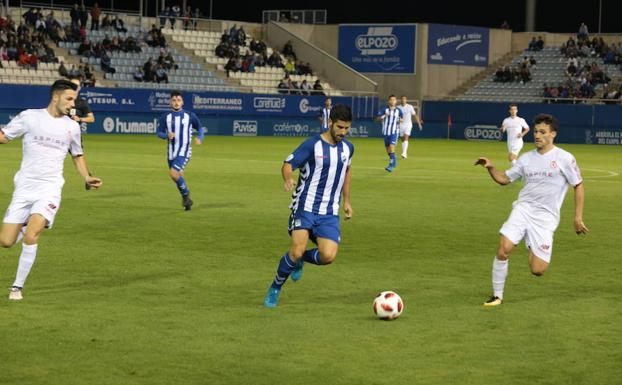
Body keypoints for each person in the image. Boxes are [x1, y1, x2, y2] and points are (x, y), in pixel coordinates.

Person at [0, 79, 102, 300]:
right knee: (6, 241)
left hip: (50, 188)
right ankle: (24, 223)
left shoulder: (72, 126)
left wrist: (87, 177)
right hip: (25, 186)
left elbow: (78, 155)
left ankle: (17, 287)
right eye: (68, 98)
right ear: (55, 97)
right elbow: (4, 137)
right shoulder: (30, 117)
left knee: (32, 235)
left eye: (73, 99)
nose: (72, 103)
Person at [474, 113, 588, 307]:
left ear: (553, 134)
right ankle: (497, 296)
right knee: (503, 250)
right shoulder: (526, 159)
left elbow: (578, 185)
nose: (537, 135)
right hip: (523, 209)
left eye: (542, 132)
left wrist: (577, 217)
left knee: (538, 270)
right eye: (535, 131)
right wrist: (491, 168)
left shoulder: (564, 158)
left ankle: (531, 244)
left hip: (546, 218)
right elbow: (505, 179)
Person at [263, 104, 354, 308]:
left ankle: (300, 259)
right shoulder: (312, 145)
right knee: (295, 251)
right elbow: (288, 164)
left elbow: (346, 171)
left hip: (329, 211)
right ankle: (275, 287)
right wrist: (287, 178)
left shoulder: (348, 148)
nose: (343, 132)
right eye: (340, 127)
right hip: (305, 206)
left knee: (328, 256)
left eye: (347, 128)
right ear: (330, 122)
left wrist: (347, 200)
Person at [156, 91, 204, 210]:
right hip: (171, 153)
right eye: (174, 100)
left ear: (182, 102)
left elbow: (200, 128)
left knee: (173, 173)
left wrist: (200, 137)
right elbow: (159, 132)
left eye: (178, 100)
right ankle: (186, 200)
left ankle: (186, 196)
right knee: (175, 176)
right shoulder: (165, 117)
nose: (176, 102)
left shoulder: (190, 115)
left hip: (184, 150)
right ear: (170, 102)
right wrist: (167, 135)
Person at [68, 77, 96, 190]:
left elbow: (92, 118)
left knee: (78, 156)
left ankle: (87, 177)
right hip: (58, 133)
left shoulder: (81, 102)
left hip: (74, 135)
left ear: (79, 88)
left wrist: (80, 119)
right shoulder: (63, 99)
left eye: (76, 86)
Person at [375, 95, 403, 172]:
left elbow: (401, 119)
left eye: (394, 99)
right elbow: (377, 119)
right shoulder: (384, 109)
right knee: (388, 151)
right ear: (388, 101)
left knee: (391, 147)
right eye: (391, 99)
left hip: (394, 132)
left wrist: (401, 120)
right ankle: (394, 160)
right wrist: (384, 116)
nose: (392, 101)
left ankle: (391, 165)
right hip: (385, 133)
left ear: (396, 101)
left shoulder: (399, 111)